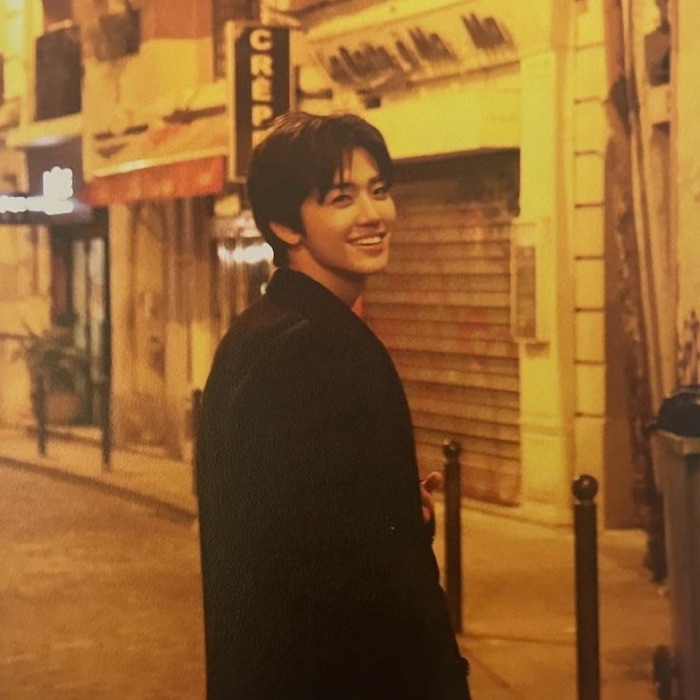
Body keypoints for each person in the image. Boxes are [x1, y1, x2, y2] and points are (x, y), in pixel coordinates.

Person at [196, 111, 472, 699]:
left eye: (379, 191)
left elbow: (298, 531)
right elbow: (375, 585)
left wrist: (391, 509)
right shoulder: (324, 349)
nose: (373, 215)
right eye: (342, 199)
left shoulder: (256, 334)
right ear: (284, 224)